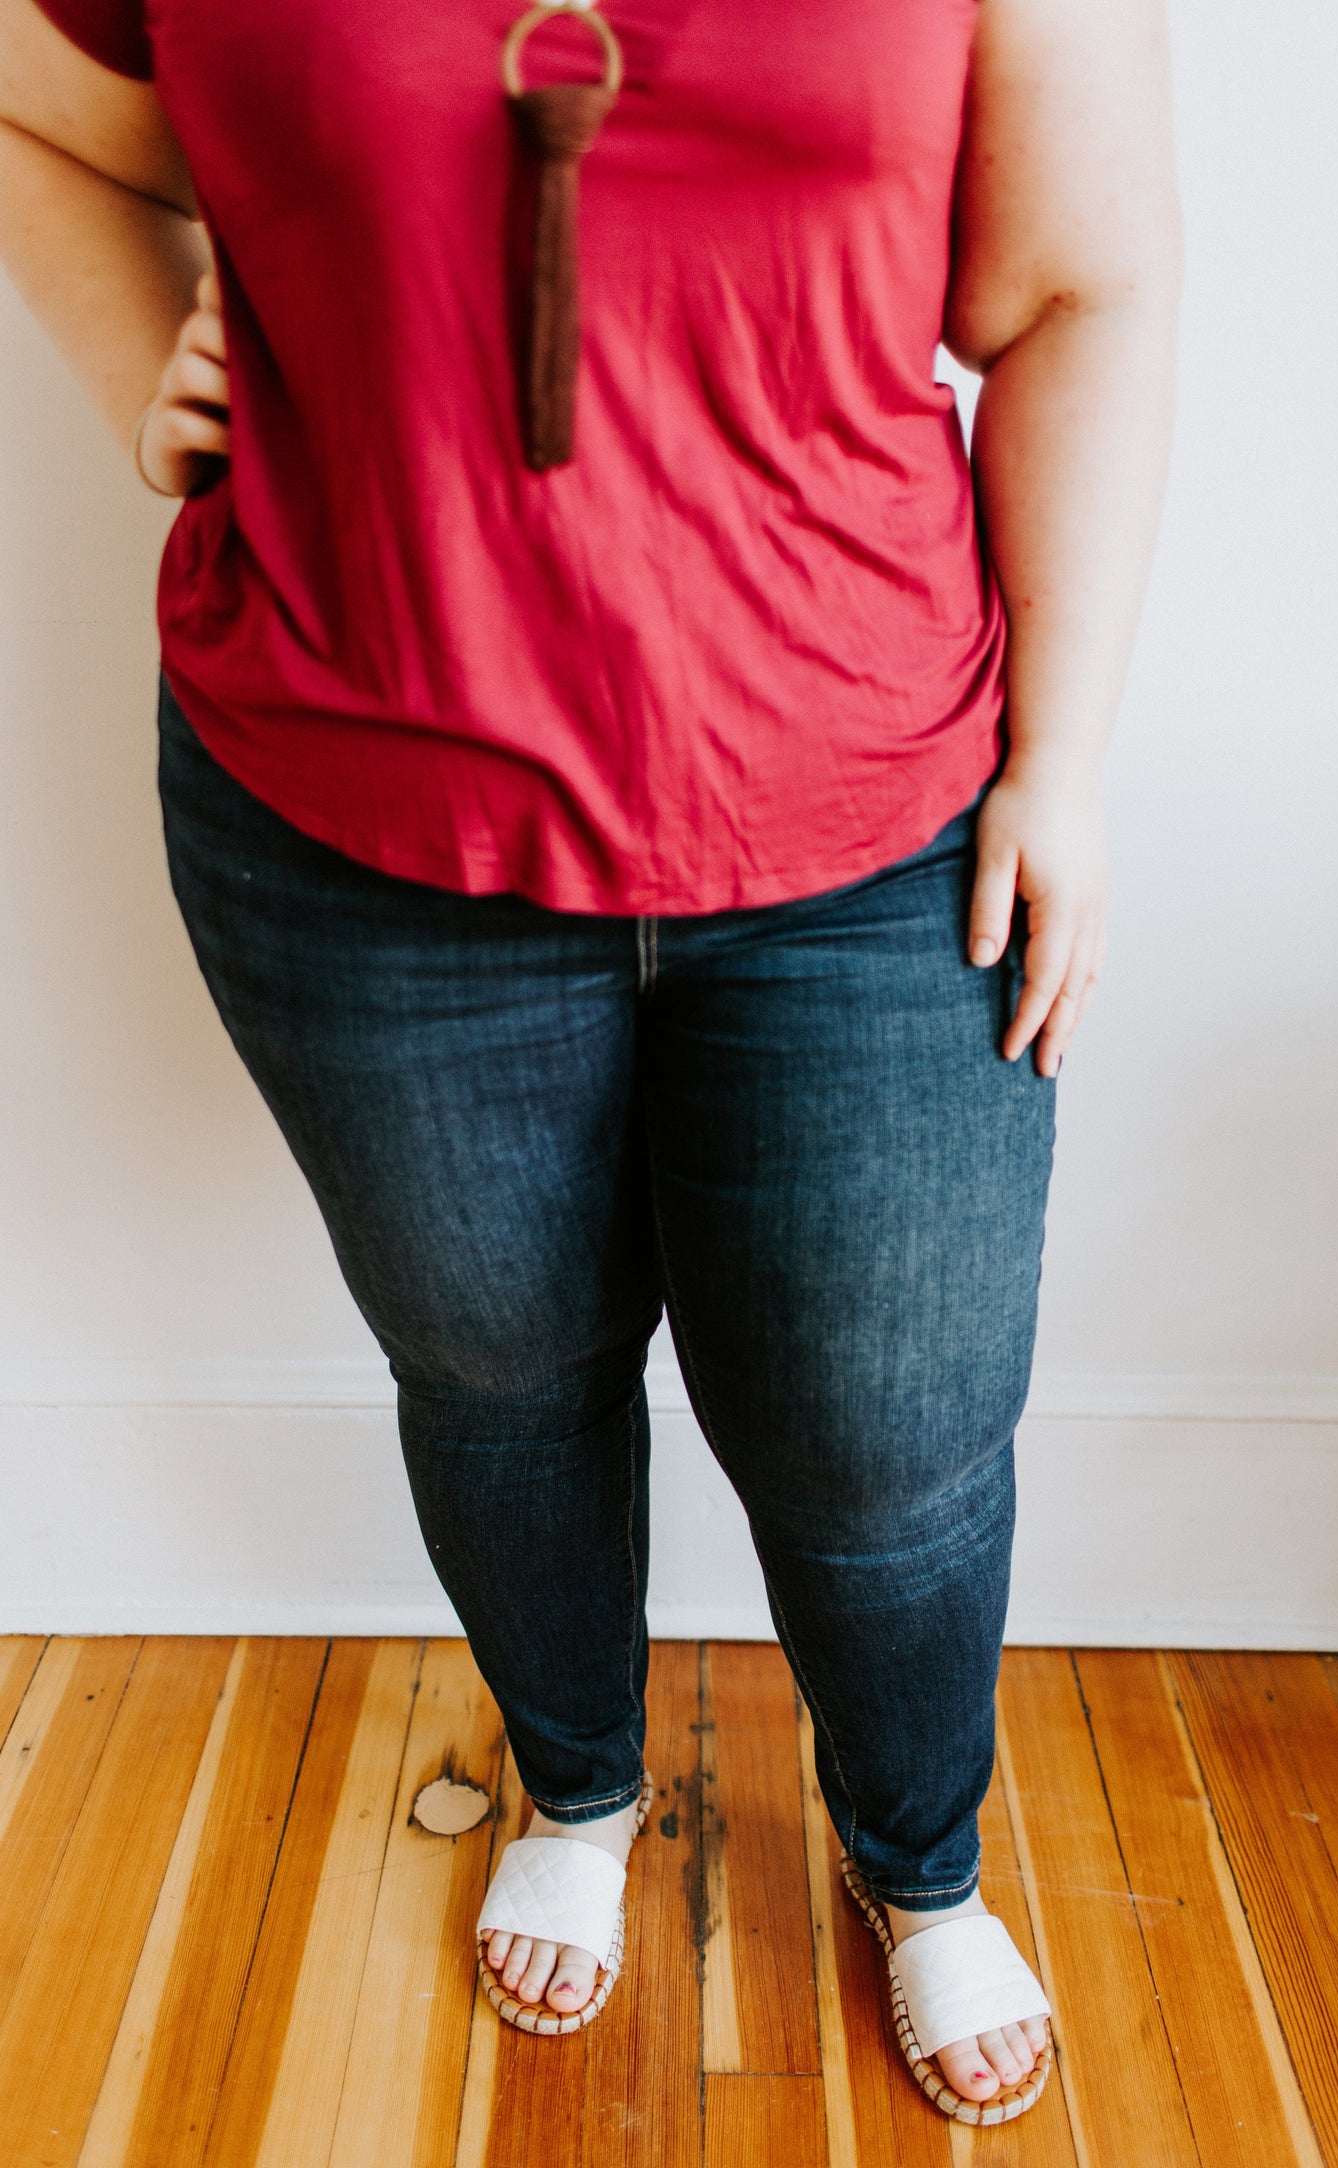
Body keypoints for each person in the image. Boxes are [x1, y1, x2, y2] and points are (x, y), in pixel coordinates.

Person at [0, 0, 1180, 2124]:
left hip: (869, 813)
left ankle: (917, 1862)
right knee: (499, 1372)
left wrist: (1069, 766)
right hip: (357, 821)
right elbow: (38, 102)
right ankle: (580, 1780)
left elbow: (1079, 285)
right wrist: (141, 356)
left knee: (887, 1439)